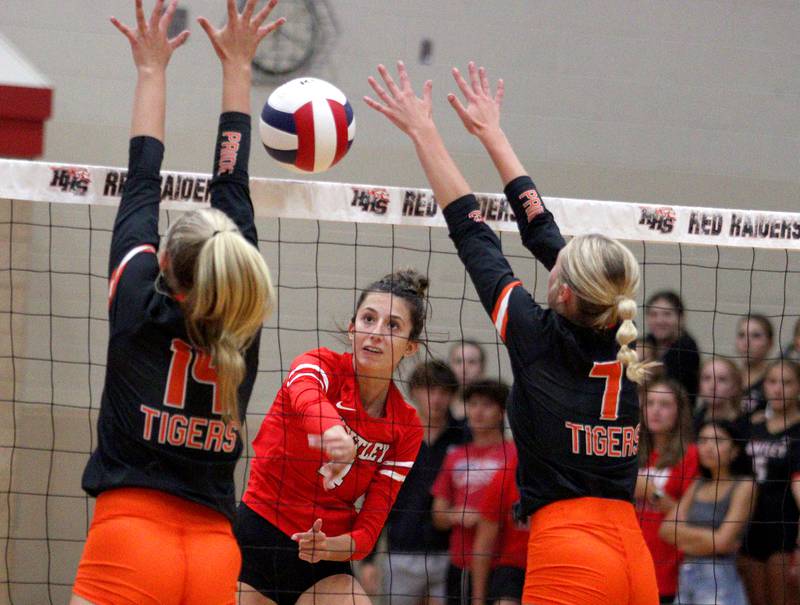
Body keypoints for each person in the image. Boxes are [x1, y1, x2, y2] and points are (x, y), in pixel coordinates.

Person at [366, 60, 658, 604]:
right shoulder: (622, 323)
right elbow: (543, 232)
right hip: (632, 552)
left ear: (563, 290)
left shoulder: (535, 335)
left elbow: (473, 232)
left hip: (570, 553)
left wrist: (423, 131)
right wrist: (493, 135)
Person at [70, 1, 280, 604]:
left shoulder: (137, 299)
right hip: (217, 552)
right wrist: (238, 67)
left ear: (164, 264)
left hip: (131, 540)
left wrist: (152, 71)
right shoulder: (246, 311)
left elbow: (143, 177)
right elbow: (231, 181)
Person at [236, 269, 427, 605]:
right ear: (353, 328)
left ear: (411, 347)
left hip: (323, 561)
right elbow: (306, 395)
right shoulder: (318, 365)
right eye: (368, 319)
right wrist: (334, 432)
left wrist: (331, 546)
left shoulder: (406, 426)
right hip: (257, 540)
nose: (376, 333)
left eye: (393, 325)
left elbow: (369, 529)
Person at [378, 359, 467, 605]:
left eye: (443, 391)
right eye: (429, 389)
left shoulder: (465, 436)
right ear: (414, 392)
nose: (436, 398)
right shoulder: (396, 435)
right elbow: (379, 498)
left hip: (449, 553)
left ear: (452, 395)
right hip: (401, 551)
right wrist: (367, 560)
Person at [430, 379, 514, 605]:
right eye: (473, 404)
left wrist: (486, 517)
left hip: (504, 565)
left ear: (501, 412)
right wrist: (455, 515)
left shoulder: (515, 455)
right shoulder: (455, 456)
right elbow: (437, 515)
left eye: (486, 405)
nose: (478, 411)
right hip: (461, 563)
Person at [659, 420, 754, 605]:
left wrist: (685, 539)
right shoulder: (698, 483)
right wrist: (712, 541)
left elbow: (724, 541)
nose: (708, 447)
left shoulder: (744, 485)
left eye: (717, 441)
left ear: (735, 450)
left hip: (720, 579)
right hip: (686, 576)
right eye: (703, 441)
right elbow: (666, 529)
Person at [738, 359, 800, 605]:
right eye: (772, 382)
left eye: (786, 383)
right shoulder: (752, 426)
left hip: (784, 528)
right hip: (750, 526)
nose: (778, 389)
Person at [635, 378, 698, 603]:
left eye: (664, 404)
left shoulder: (691, 455)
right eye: (649, 403)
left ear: (679, 412)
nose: (655, 410)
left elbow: (688, 516)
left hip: (667, 563)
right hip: (630, 557)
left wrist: (651, 493)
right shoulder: (630, 451)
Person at [471, 450, 528, 605]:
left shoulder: (565, 477)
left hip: (553, 566)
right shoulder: (507, 475)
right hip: (513, 569)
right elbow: (484, 544)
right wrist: (478, 600)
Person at [644, 291, 700, 401]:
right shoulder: (645, 344)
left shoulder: (686, 350)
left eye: (667, 314)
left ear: (681, 318)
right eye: (653, 314)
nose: (659, 321)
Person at [693, 357, 745, 435]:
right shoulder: (691, 424)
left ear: (735, 386)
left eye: (722, 379)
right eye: (707, 378)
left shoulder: (746, 426)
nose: (712, 386)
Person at [736, 314, 774, 415]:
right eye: (741, 335)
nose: (746, 342)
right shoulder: (729, 377)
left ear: (770, 343)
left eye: (756, 336)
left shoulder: (776, 379)